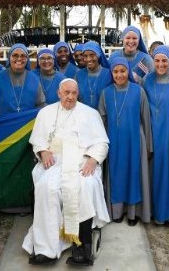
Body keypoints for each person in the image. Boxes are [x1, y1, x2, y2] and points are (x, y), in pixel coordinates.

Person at [22, 79, 110, 266]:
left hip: (82, 160)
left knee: (85, 186)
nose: (70, 97)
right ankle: (46, 248)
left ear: (78, 94)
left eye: (74, 93)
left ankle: (81, 245)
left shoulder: (90, 113)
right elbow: (37, 140)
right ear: (59, 93)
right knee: (47, 187)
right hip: (55, 160)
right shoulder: (45, 113)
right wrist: (43, 151)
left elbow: (102, 142)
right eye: (66, 92)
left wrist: (93, 159)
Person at [98, 57, 153, 225]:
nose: (119, 75)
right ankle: (117, 212)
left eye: (123, 71)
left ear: (128, 71)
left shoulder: (138, 91)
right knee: (117, 175)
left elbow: (145, 119)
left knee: (133, 174)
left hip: (135, 140)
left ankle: (133, 213)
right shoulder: (106, 93)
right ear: (111, 73)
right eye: (116, 71)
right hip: (113, 141)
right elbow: (101, 121)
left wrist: (149, 145)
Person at [142, 45, 169, 225]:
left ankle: (168, 213)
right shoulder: (146, 79)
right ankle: (152, 211)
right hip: (152, 132)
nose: (160, 64)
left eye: (164, 61)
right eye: (157, 60)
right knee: (152, 173)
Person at [0, 43, 46, 117]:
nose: (19, 58)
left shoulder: (34, 79)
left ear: (27, 59)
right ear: (9, 57)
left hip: (29, 126)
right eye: (15, 55)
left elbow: (41, 105)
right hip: (4, 126)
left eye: (23, 56)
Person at [75, 41, 112, 110]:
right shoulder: (79, 75)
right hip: (83, 116)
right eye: (85, 56)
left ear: (98, 55)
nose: (88, 59)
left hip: (102, 117)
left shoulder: (108, 74)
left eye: (92, 55)